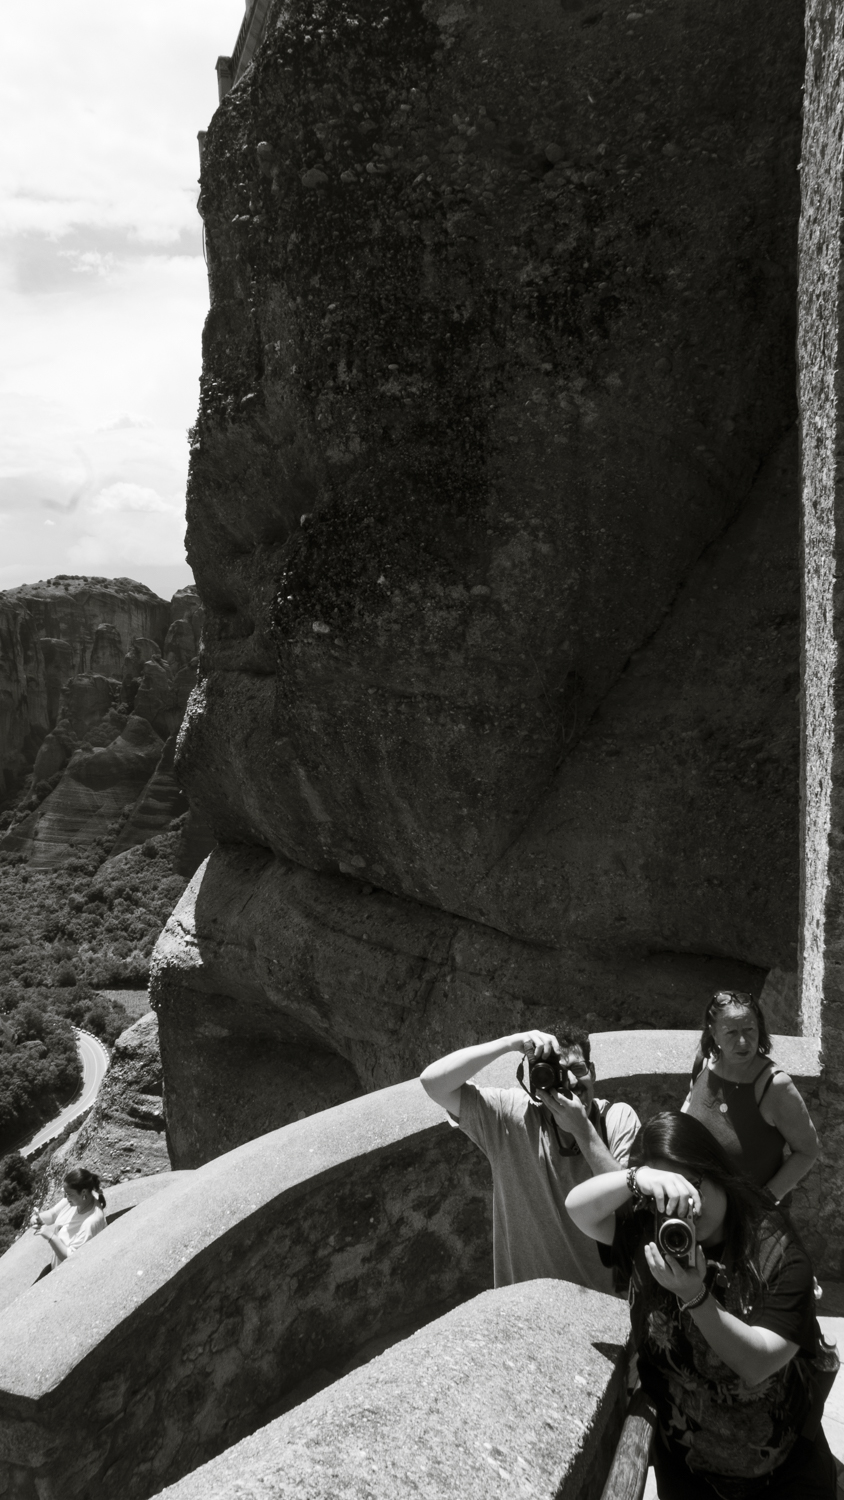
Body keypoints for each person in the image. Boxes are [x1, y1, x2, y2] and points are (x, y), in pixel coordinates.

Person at [566, 1110, 838, 1499]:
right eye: (666, 1194)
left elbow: (757, 1364)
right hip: (689, 1476)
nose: (685, 1208)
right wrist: (635, 1178)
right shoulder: (651, 1235)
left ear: (718, 1172)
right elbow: (578, 1209)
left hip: (783, 1477)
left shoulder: (775, 1251)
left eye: (691, 1186)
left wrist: (695, 1297)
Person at [420, 1026, 640, 1292]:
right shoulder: (511, 1117)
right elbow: (433, 1083)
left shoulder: (616, 1119)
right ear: (538, 1082)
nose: (571, 1081)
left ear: (592, 1072)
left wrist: (582, 1130)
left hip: (599, 1303)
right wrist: (509, 1042)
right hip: (525, 1303)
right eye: (559, 1072)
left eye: (578, 1068)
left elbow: (628, 1210)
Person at [682, 990, 819, 1201]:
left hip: (748, 1214)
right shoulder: (703, 1063)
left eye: (749, 1030)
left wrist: (763, 1204)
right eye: (731, 1032)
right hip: (696, 1205)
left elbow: (807, 1151)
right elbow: (689, 1103)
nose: (743, 1041)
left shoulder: (774, 1086)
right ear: (714, 1033)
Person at [30, 1167, 107, 1269]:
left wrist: (50, 1236)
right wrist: (37, 1218)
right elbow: (53, 1214)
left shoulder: (90, 1222)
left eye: (69, 1194)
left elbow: (72, 1258)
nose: (66, 1197)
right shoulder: (74, 1201)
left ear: (83, 1192)